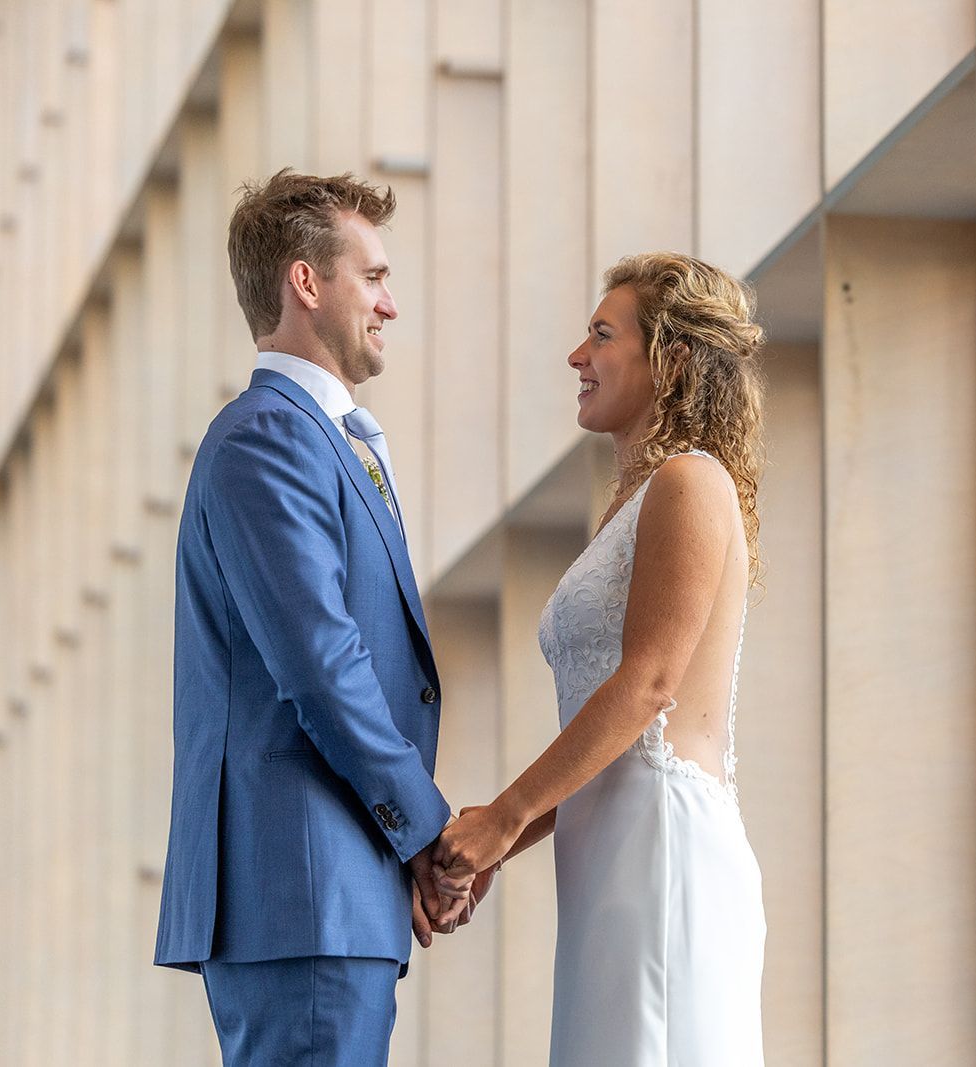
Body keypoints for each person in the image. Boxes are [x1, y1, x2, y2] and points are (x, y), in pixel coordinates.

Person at [153, 169, 475, 1065]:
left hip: (333, 893)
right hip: (303, 890)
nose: (390, 303)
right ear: (306, 282)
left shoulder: (320, 437)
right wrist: (425, 832)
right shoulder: (269, 435)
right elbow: (323, 666)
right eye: (372, 277)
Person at [431, 252, 769, 1065]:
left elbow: (649, 685)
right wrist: (501, 838)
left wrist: (504, 815)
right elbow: (607, 732)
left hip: (661, 848)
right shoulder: (634, 501)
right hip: (608, 852)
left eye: (602, 335)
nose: (576, 356)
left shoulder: (690, 481)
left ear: (671, 359)